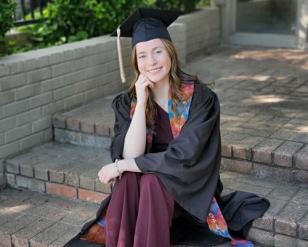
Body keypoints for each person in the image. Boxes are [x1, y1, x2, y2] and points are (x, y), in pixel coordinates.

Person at [65, 8, 270, 247]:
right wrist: (141, 103)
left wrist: (121, 166)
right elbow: (131, 154)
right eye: (142, 55)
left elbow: (185, 157)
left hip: (188, 187)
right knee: (129, 178)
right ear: (135, 61)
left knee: (146, 179)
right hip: (146, 190)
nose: (151, 62)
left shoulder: (200, 99)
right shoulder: (127, 102)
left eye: (157, 51)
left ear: (170, 53)